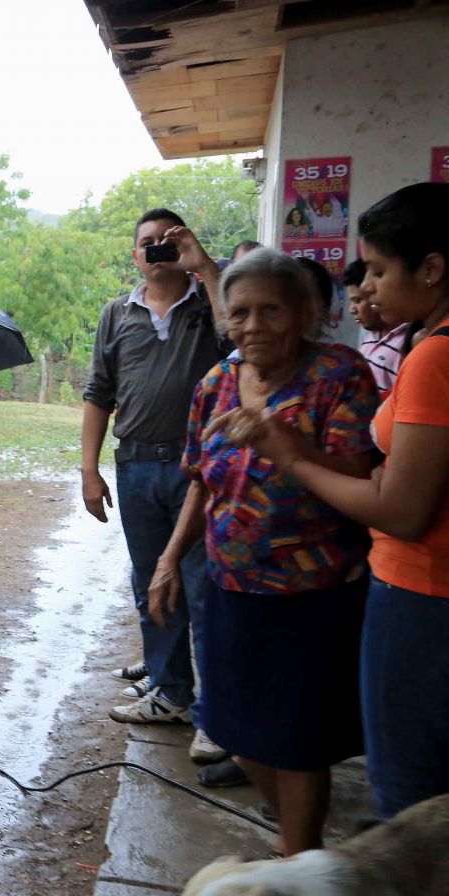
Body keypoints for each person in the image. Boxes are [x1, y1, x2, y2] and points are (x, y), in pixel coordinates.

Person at [230, 183, 449, 821]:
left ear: (431, 269)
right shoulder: (424, 346)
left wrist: (292, 457)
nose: (368, 287)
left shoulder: (430, 358)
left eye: (379, 269)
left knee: (410, 794)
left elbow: (402, 509)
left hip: (420, 590)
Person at [149, 247, 379, 856]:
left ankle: (297, 853)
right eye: (240, 313)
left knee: (297, 741)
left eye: (270, 311)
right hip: (228, 587)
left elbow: (361, 473)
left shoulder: (340, 375)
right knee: (236, 732)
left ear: (305, 313)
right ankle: (295, 843)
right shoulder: (217, 383)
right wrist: (171, 558)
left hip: (314, 595)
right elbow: (200, 477)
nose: (253, 326)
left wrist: (286, 445)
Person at [81, 209, 230, 764]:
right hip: (137, 465)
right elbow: (100, 392)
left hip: (198, 471)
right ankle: (171, 692)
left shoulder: (208, 302)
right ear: (134, 254)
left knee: (202, 586)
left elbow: (239, 336)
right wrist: (89, 470)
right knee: (152, 585)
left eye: (167, 241)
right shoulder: (116, 314)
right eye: (147, 243)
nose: (155, 250)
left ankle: (215, 715)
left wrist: (205, 265)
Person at [346, 259, 415, 400]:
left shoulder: (409, 341)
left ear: (375, 298)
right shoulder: (370, 336)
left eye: (357, 301)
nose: (351, 310)